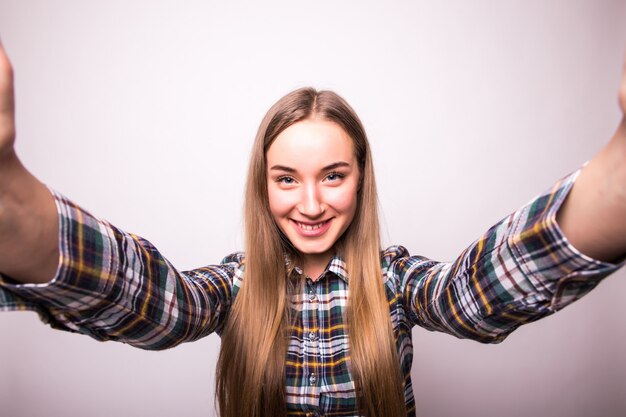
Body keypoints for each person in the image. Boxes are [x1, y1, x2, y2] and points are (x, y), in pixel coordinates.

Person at [0, 36, 624, 417]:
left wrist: (611, 193)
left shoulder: (395, 279)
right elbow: (158, 304)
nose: (311, 203)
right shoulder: (234, 286)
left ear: (361, 178)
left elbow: (469, 296)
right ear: (263, 186)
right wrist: (19, 213)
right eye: (286, 178)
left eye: (332, 175)